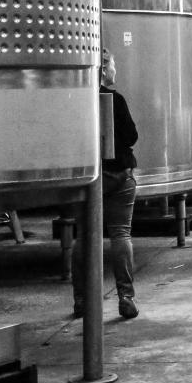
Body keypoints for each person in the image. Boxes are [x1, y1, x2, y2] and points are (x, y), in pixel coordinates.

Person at [72, 48, 140, 320]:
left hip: (87, 177)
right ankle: (126, 298)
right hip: (119, 177)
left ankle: (80, 301)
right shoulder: (115, 99)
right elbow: (132, 136)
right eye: (113, 65)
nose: (115, 70)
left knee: (84, 237)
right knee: (121, 235)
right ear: (103, 69)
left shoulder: (76, 98)